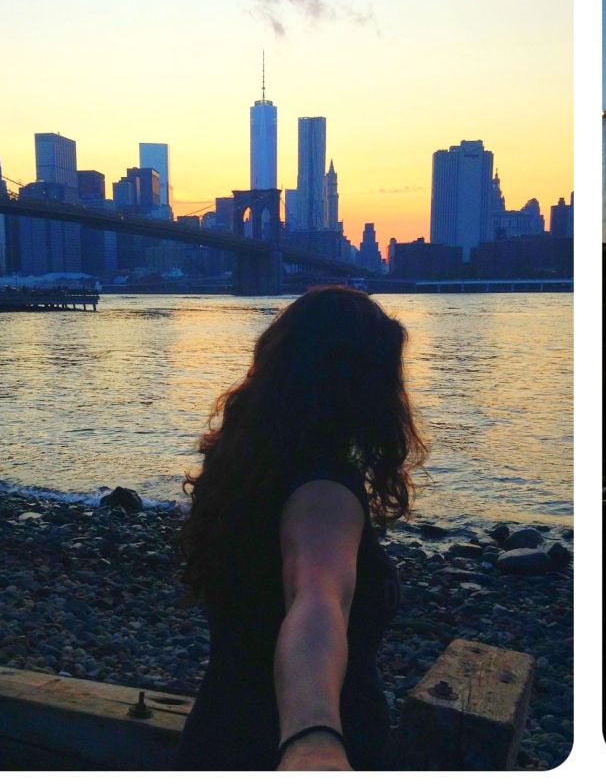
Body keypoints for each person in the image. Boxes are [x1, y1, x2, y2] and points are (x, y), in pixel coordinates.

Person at [176, 287, 426, 772]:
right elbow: (316, 596)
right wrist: (313, 741)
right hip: (305, 752)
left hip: (216, 738)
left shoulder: (239, 475)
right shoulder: (325, 490)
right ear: (360, 386)